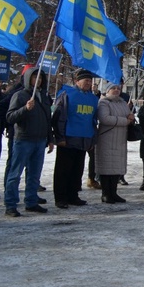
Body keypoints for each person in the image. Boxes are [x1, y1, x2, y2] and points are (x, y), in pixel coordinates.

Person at [4, 67, 53, 217]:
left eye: (40, 78)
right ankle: (10, 204)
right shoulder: (19, 96)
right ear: (28, 79)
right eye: (34, 77)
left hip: (40, 141)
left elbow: (47, 119)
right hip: (23, 140)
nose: (38, 80)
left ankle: (31, 201)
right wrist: (25, 109)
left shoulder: (44, 96)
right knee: (15, 173)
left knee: (34, 174)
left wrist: (50, 139)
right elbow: (10, 117)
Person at [51, 68, 99, 209]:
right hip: (68, 139)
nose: (88, 83)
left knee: (77, 169)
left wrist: (92, 140)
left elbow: (93, 120)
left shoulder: (93, 99)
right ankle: (60, 197)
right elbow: (58, 117)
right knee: (63, 170)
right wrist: (60, 137)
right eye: (85, 80)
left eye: (90, 81)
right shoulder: (67, 94)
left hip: (84, 139)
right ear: (77, 81)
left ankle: (73, 195)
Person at [95, 83, 134, 203]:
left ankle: (114, 192)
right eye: (113, 88)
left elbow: (129, 117)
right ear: (107, 90)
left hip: (120, 139)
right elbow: (105, 118)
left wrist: (131, 117)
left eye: (118, 88)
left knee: (116, 168)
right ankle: (106, 193)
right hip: (107, 139)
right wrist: (125, 121)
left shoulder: (123, 103)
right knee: (107, 168)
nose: (116, 90)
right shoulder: (103, 102)